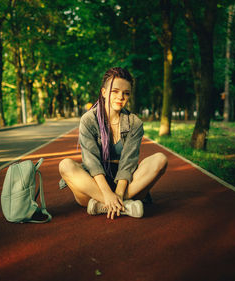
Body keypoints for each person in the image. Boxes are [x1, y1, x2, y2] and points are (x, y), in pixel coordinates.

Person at [58, 67, 167, 220]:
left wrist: (118, 194)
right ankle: (125, 206)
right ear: (104, 92)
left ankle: (102, 206)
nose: (120, 97)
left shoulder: (135, 123)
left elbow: (128, 163)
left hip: (127, 185)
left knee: (160, 159)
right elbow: (91, 162)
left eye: (126, 93)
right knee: (65, 165)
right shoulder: (89, 120)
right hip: (95, 185)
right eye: (115, 91)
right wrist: (107, 194)